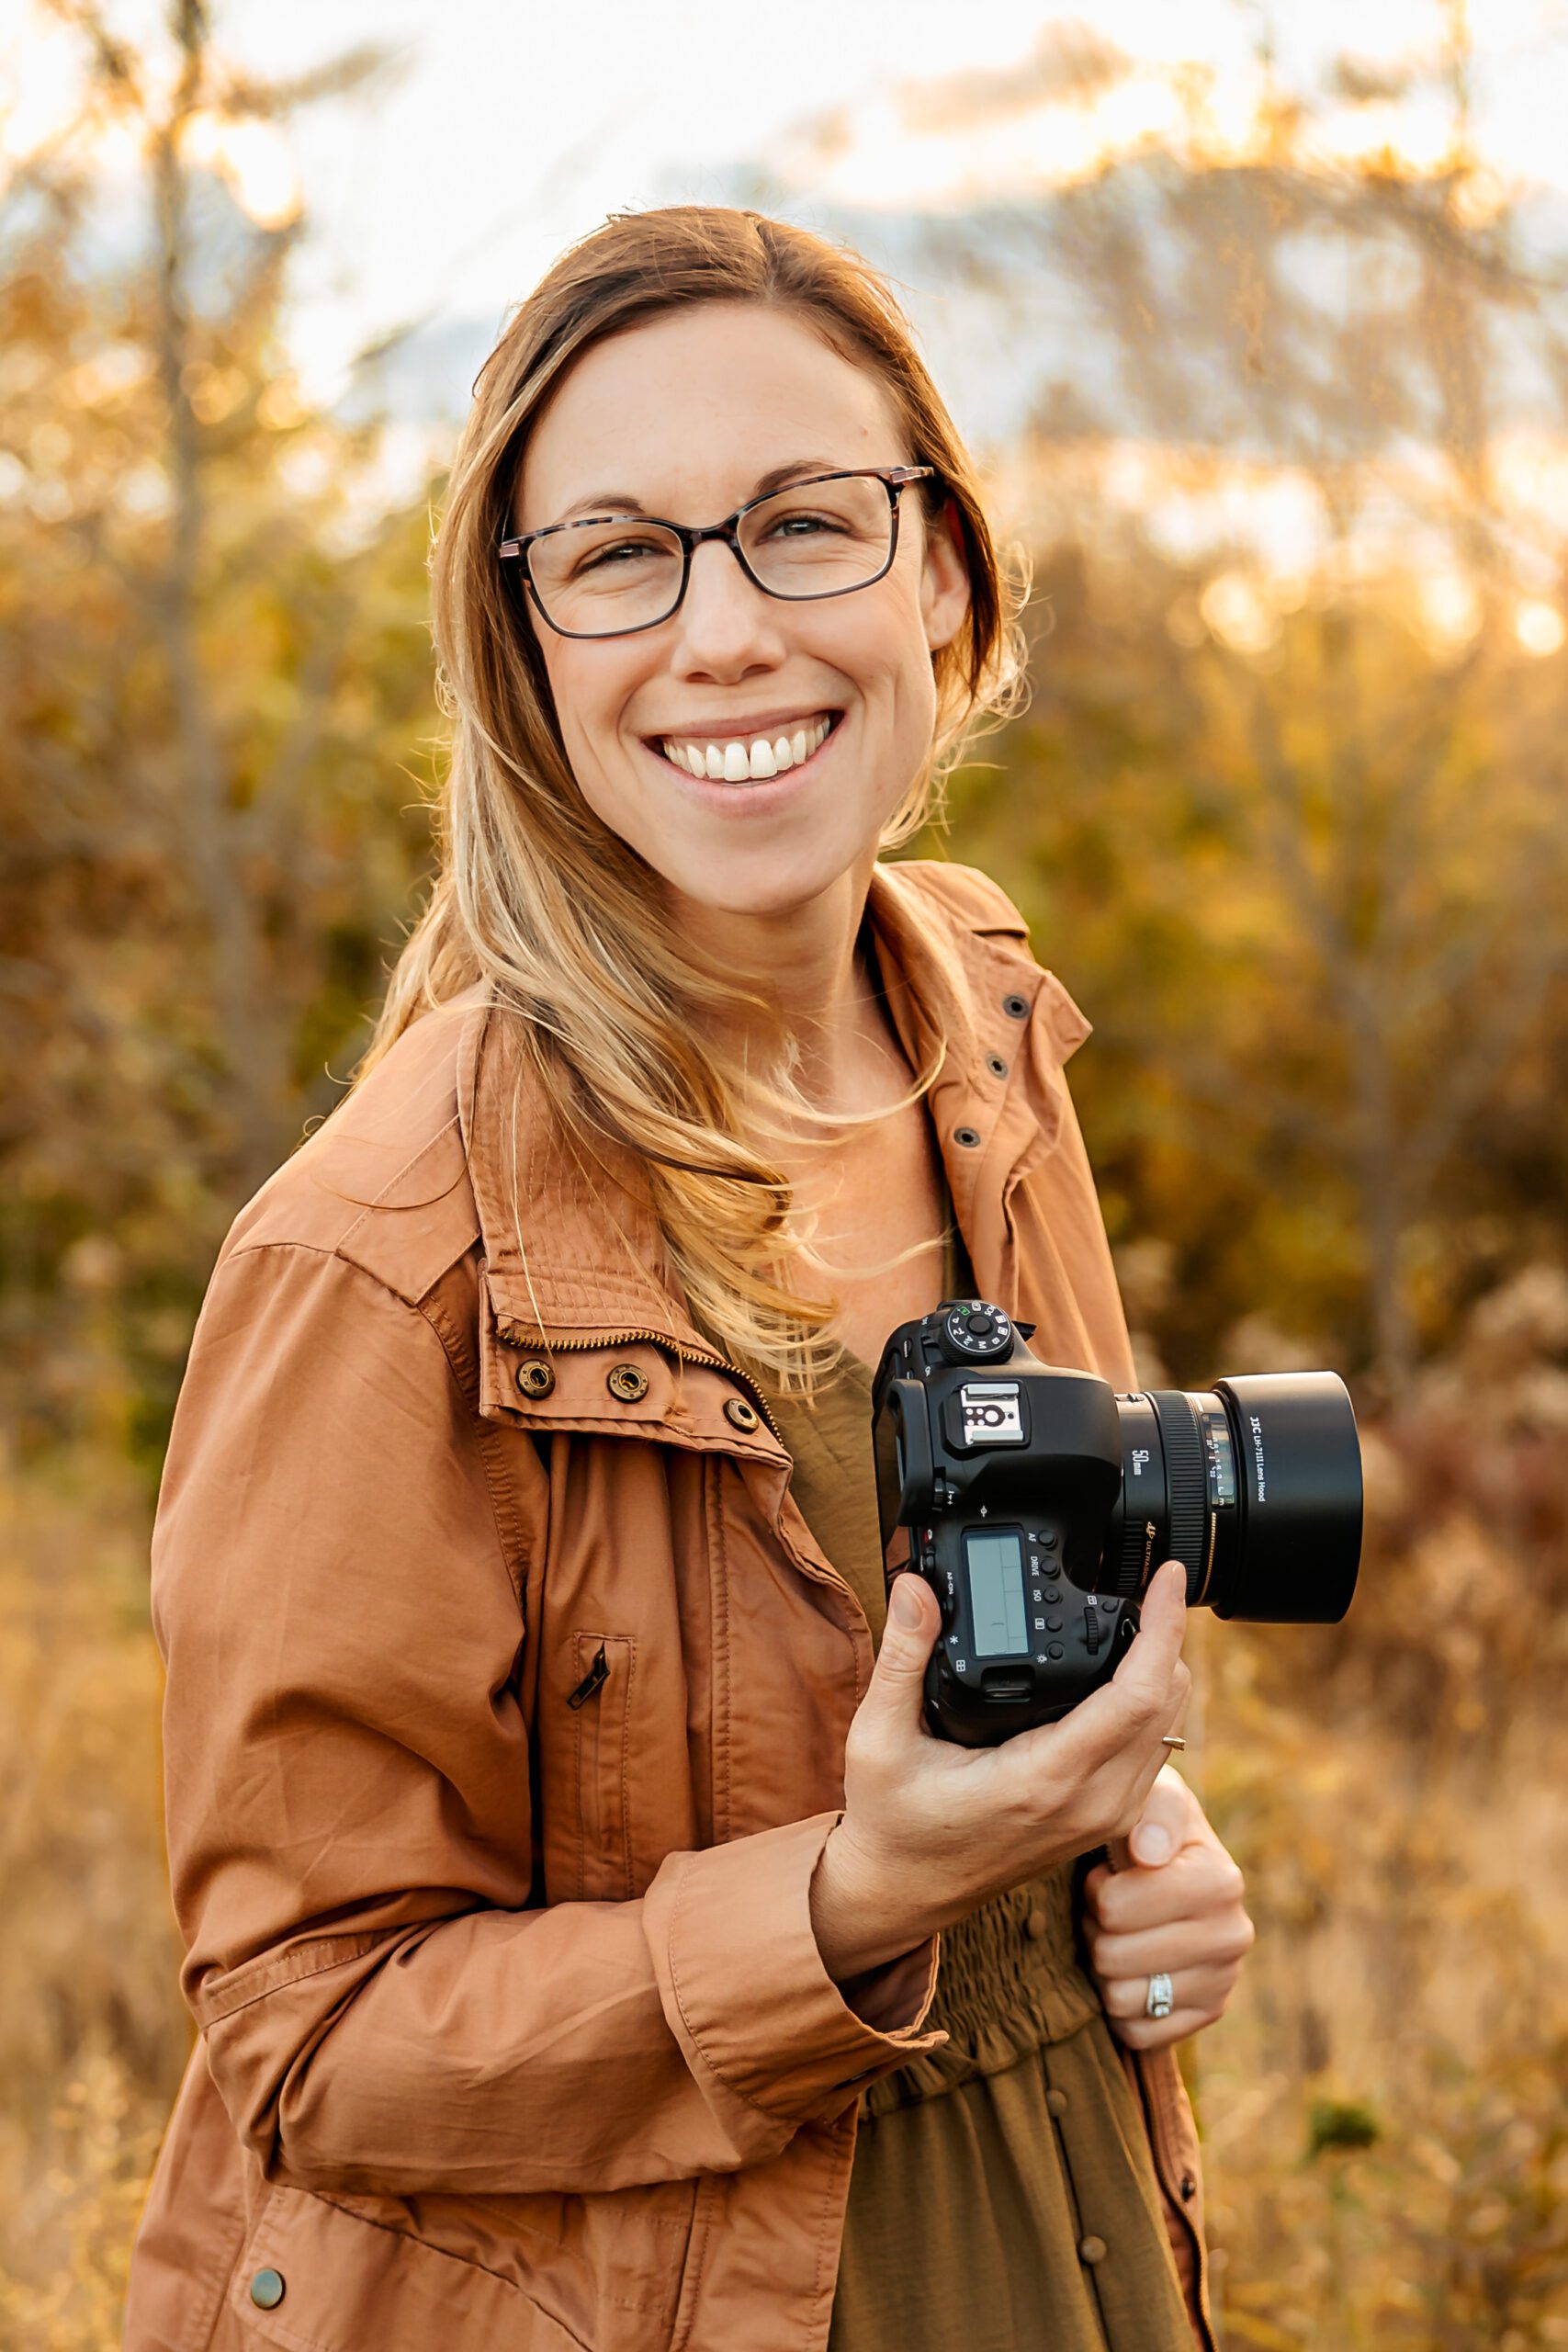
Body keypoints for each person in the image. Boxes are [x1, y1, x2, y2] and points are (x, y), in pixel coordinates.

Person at [123, 207, 1255, 2352]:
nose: (722, 629)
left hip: (1066, 2242)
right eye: (621, 554)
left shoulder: (982, 1032)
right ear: (525, 639)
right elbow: (306, 2030)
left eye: (804, 524)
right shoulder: (381, 1253)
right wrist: (856, 1898)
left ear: (941, 569)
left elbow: (974, 1599)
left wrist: (1116, 1820)